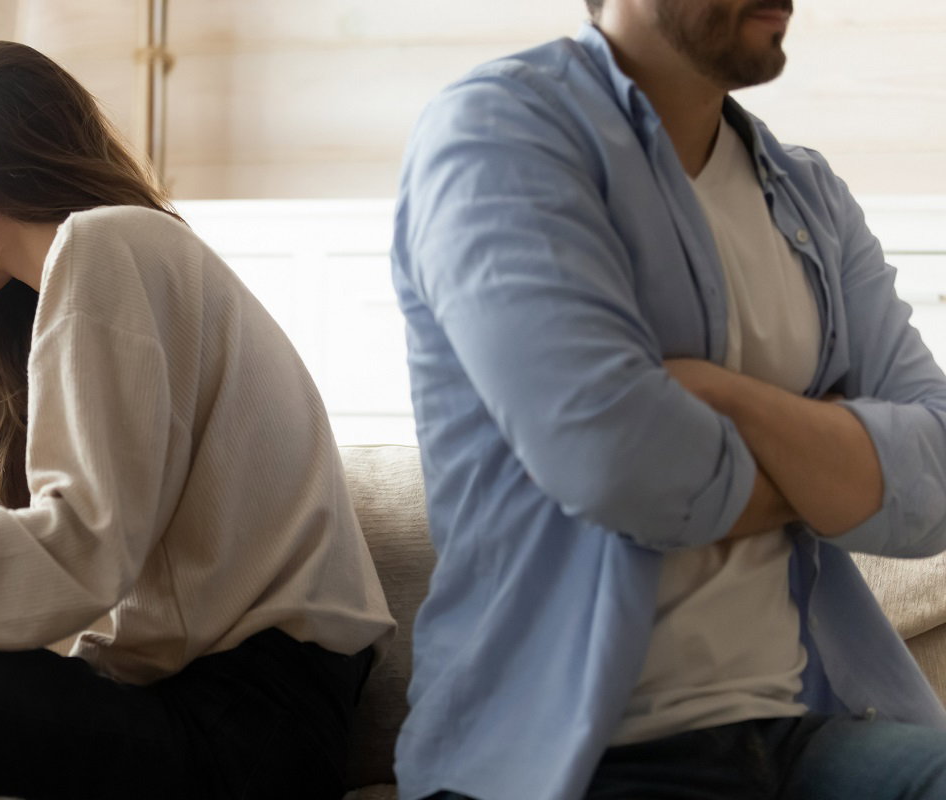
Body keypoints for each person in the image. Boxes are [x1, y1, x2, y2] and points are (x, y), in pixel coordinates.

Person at [0, 39, 394, 800]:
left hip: (252, 719)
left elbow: (83, 551)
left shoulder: (106, 242)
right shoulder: (76, 289)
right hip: (193, 706)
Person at [391, 1, 946, 798]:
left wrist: (722, 395)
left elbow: (937, 481)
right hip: (575, 759)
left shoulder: (811, 196)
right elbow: (618, 463)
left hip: (801, 728)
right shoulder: (496, 136)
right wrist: (834, 462)